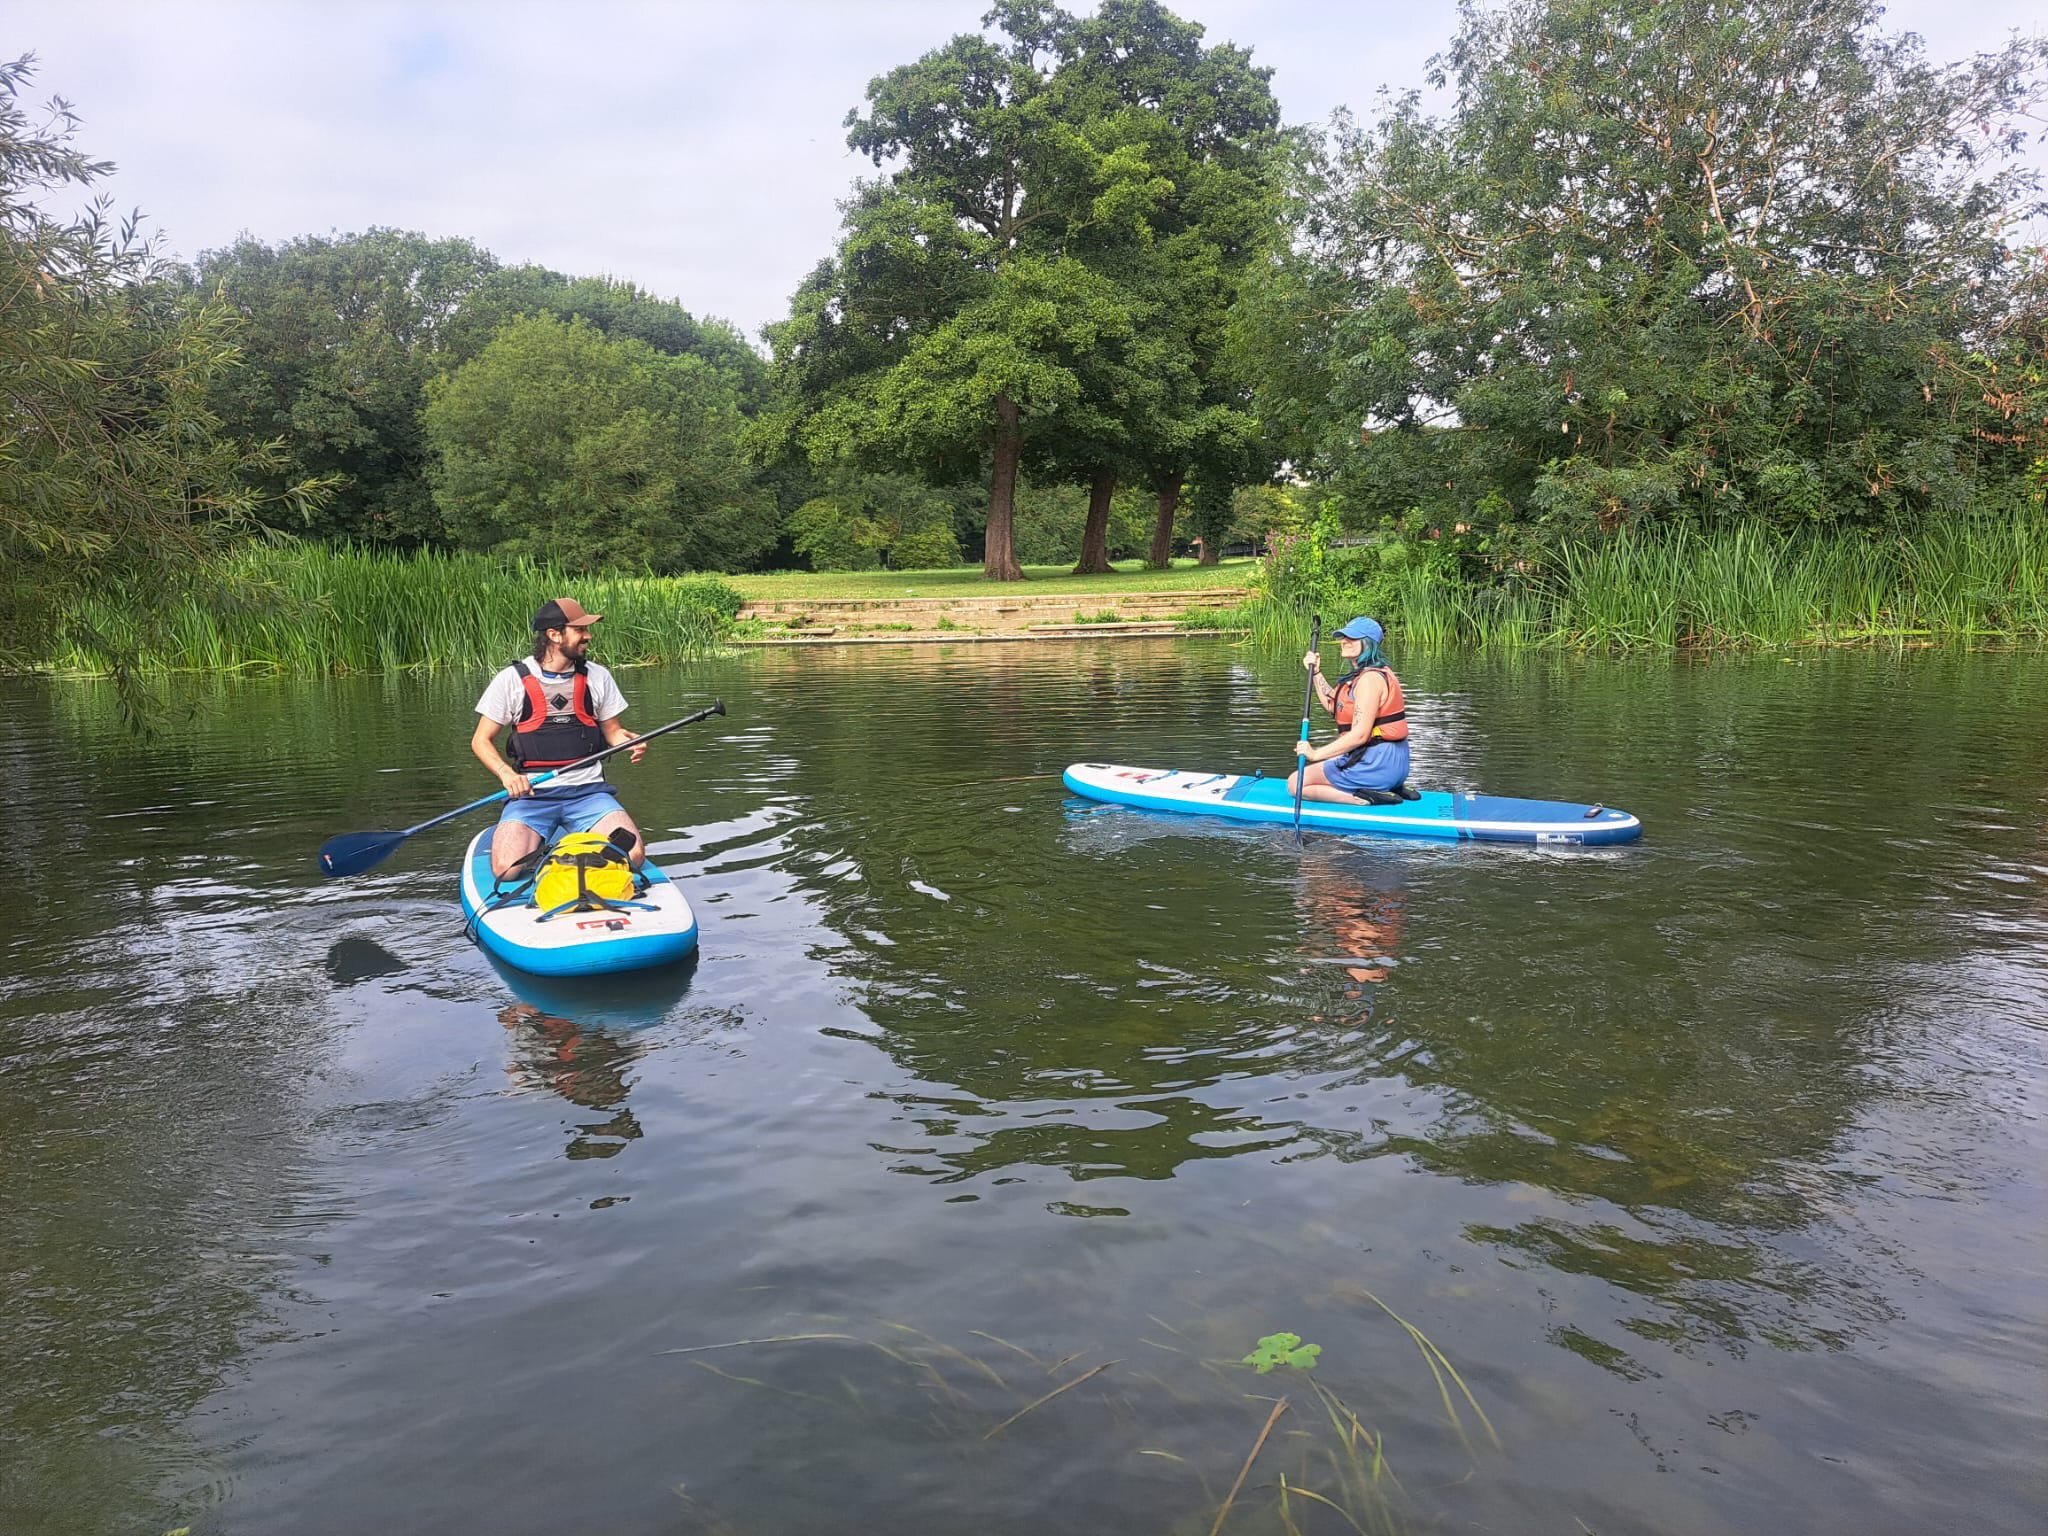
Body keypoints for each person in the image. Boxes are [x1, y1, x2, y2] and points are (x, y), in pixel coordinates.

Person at [472, 597, 647, 879]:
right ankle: (551, 849)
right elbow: (480, 740)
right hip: (532, 796)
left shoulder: (598, 676)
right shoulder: (511, 680)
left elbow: (612, 731)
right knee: (506, 871)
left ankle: (572, 849)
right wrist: (507, 775)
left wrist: (627, 741)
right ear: (554, 635)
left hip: (589, 792)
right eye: (579, 630)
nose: (588, 636)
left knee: (633, 855)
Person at [1288, 615, 1411, 804]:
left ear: (1368, 643)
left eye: (1352, 638)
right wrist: (1316, 672)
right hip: (1393, 765)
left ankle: (1360, 798)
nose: (1344, 641)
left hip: (1376, 764)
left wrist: (1315, 754)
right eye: (1343, 636)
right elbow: (1333, 706)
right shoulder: (1371, 674)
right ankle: (1386, 787)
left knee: (1296, 782)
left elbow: (1360, 735)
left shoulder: (1370, 680)